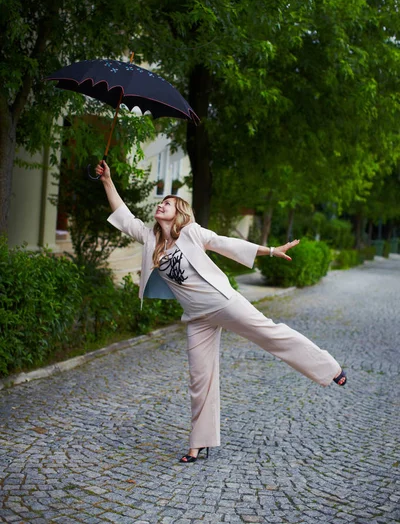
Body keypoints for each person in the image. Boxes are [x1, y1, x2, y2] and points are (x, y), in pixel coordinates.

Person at [95, 160, 347, 464]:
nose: (161, 206)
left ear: (180, 212)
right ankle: (199, 444)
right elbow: (123, 216)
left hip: (223, 302)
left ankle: (329, 368)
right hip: (196, 318)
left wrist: (268, 251)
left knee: (270, 334)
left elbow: (224, 243)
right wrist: (107, 180)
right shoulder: (150, 239)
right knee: (199, 378)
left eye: (168, 203)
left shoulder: (191, 233)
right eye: (161, 202)